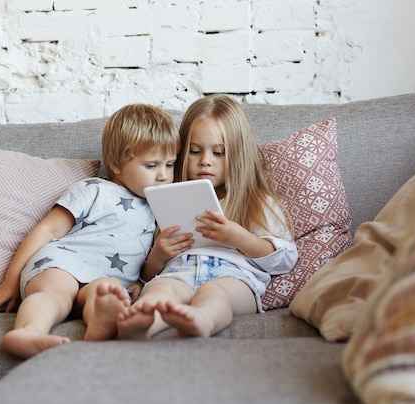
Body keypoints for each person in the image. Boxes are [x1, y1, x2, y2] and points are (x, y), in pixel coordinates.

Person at [0, 104, 180, 358]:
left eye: (170, 165)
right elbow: (47, 230)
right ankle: (29, 331)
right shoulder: (95, 189)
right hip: (63, 263)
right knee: (55, 295)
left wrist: (142, 278)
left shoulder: (159, 209)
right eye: (151, 166)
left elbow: (143, 262)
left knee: (107, 291)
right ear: (115, 164)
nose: (163, 176)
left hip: (104, 276)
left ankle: (99, 325)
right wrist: (10, 281)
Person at [117, 95, 298, 339]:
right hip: (179, 271)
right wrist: (158, 255)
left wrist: (240, 238)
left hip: (235, 277)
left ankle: (202, 320)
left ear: (238, 155)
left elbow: (285, 260)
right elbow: (149, 275)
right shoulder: (166, 198)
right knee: (161, 288)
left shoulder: (257, 201)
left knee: (215, 293)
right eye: (194, 151)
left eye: (218, 153)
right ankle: (142, 324)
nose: (205, 161)